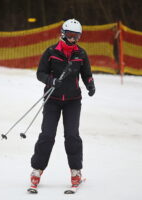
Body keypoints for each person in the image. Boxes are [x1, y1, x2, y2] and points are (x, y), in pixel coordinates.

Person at [29, 19, 95, 191]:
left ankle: (76, 172)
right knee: (47, 135)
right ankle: (36, 171)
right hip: (52, 100)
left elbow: (87, 73)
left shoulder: (80, 54)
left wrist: (90, 84)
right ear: (63, 33)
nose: (72, 39)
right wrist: (51, 81)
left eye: (76, 36)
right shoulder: (51, 51)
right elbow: (40, 73)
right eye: (70, 35)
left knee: (72, 136)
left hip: (73, 101)